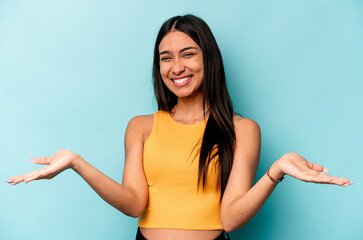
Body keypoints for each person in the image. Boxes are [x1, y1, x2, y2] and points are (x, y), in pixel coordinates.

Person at [6, 15, 353, 240]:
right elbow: (133, 203)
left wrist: (275, 171)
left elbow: (230, 219)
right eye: (165, 57)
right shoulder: (140, 127)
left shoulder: (243, 129)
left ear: (208, 58)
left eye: (188, 53)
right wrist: (76, 163)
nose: (176, 67)